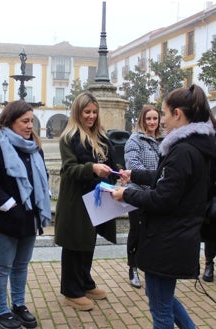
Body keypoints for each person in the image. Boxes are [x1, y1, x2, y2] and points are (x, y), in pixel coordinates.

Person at [111, 84, 216, 328]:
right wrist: (134, 175)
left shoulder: (183, 151)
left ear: (178, 114)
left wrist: (126, 195)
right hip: (179, 234)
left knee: (160, 310)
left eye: (165, 114)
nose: (162, 121)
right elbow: (165, 178)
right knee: (161, 298)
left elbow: (162, 198)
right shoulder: (198, 145)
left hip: (167, 239)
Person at [0, 100, 51, 329]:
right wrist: (11, 205)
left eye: (31, 121)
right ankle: (1, 311)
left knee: (21, 265)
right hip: (5, 219)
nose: (30, 126)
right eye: (25, 121)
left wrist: (41, 198)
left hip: (29, 217)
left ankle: (18, 305)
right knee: (1, 267)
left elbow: (42, 175)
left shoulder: (34, 147)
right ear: (10, 122)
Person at [55, 91, 118, 311]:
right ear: (78, 112)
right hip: (76, 201)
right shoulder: (69, 137)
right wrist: (92, 168)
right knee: (74, 243)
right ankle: (71, 291)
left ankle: (85, 283)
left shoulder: (101, 136)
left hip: (96, 198)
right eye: (86, 112)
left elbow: (110, 164)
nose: (91, 116)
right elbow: (69, 169)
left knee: (87, 242)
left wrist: (120, 174)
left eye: (94, 112)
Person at [124, 104, 162, 288]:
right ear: (142, 120)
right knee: (137, 231)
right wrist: (155, 179)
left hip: (157, 193)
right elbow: (133, 165)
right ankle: (133, 267)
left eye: (155, 118)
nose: (152, 122)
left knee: (154, 231)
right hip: (138, 192)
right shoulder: (134, 140)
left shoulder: (165, 140)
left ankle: (150, 265)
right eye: (149, 118)